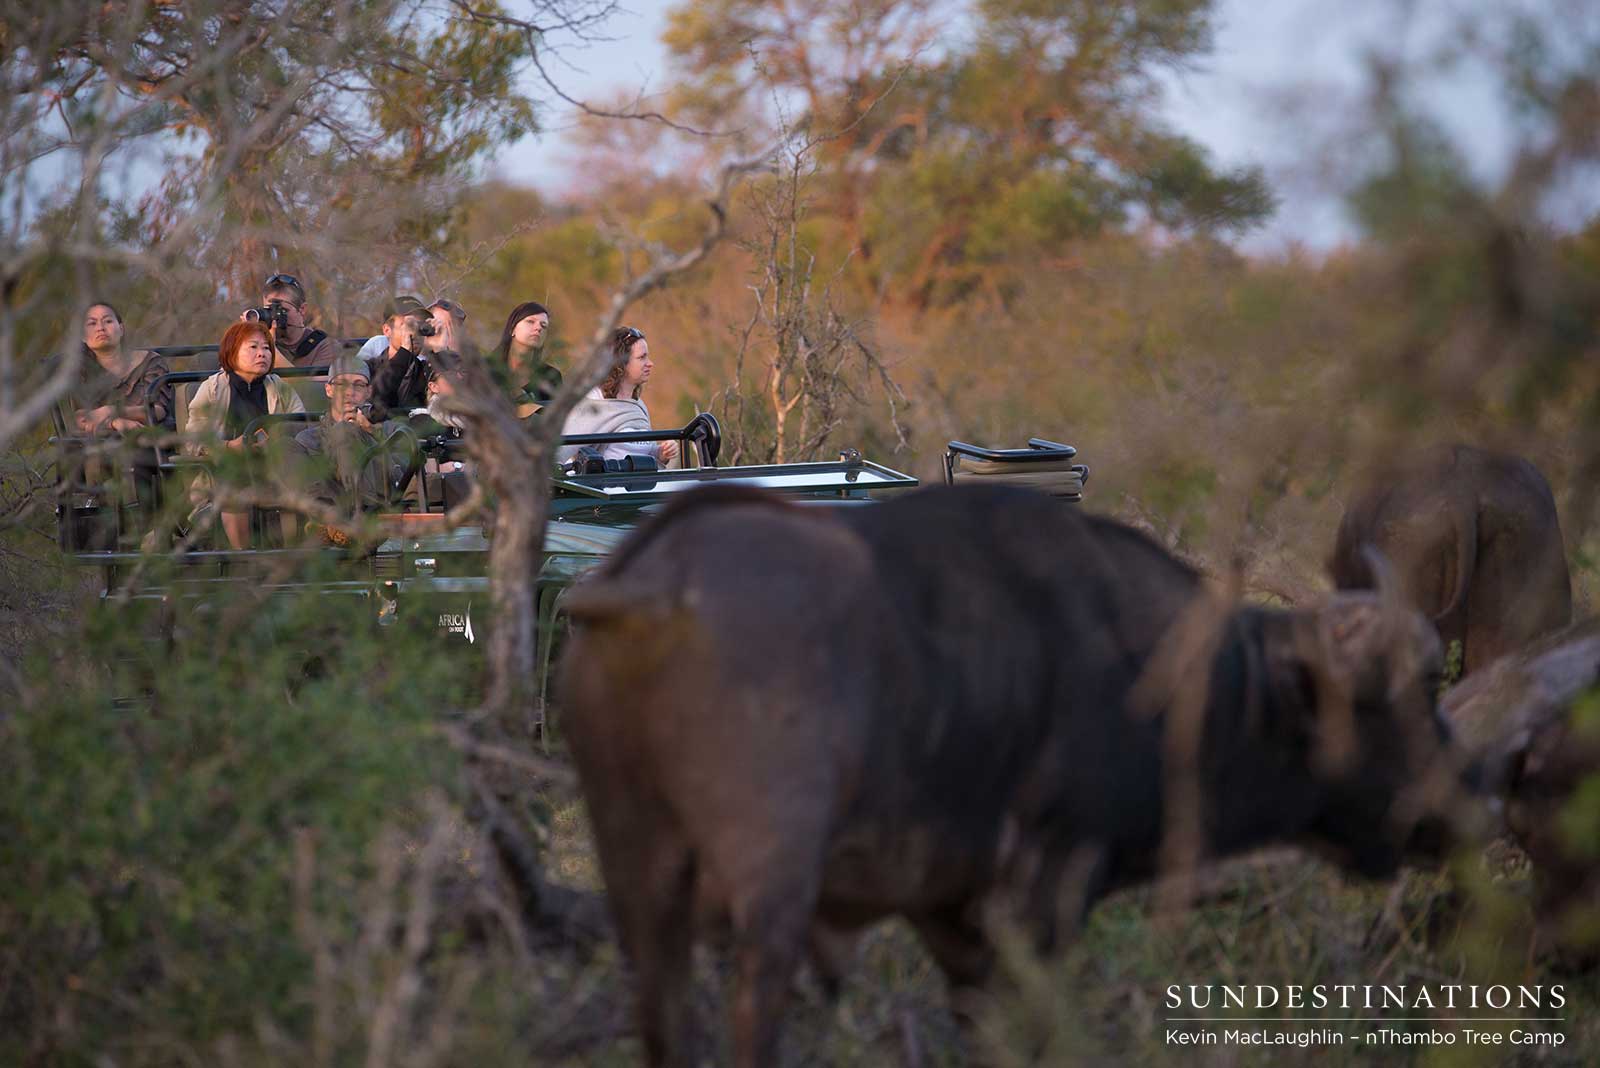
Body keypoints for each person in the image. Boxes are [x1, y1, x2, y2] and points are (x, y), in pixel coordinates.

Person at [186, 320, 307, 547]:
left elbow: (301, 424)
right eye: (253, 347)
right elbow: (194, 439)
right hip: (224, 469)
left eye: (266, 348)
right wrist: (229, 446)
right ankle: (242, 555)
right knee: (235, 472)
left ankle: (290, 555)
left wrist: (277, 440)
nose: (262, 353)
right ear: (232, 351)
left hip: (274, 465)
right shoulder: (213, 388)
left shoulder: (279, 387)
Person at [293, 352, 411, 513]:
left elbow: (404, 477)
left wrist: (370, 432)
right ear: (328, 390)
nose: (350, 392)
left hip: (381, 510)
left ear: (369, 392)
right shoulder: (309, 439)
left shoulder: (391, 430)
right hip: (333, 513)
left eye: (359, 385)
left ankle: (359, 511)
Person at [557, 326, 678, 465]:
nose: (650, 363)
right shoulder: (592, 405)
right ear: (621, 364)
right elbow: (558, 456)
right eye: (642, 357)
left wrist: (661, 453)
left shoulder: (638, 405)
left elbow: (645, 454)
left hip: (640, 479)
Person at [72, 301, 174, 433]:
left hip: (149, 437)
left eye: (108, 321)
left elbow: (158, 411)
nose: (100, 328)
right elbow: (79, 417)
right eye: (92, 323)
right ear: (83, 337)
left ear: (121, 329)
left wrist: (111, 411)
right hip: (100, 441)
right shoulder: (81, 369)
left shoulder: (150, 361)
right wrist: (114, 423)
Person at [241, 272, 340, 369]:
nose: (274, 317)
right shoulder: (260, 343)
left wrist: (271, 348)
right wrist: (245, 340)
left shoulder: (325, 346)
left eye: (282, 310)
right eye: (269, 310)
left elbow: (308, 381)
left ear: (302, 309)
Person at [366, 295, 434, 419]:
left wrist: (440, 346)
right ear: (387, 330)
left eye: (420, 325)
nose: (415, 333)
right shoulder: (370, 368)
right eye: (408, 325)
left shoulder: (427, 371)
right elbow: (376, 402)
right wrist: (405, 352)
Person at [491, 301, 561, 415]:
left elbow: (557, 418)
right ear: (512, 328)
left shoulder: (551, 376)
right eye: (530, 321)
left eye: (544, 325)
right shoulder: (485, 368)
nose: (538, 328)